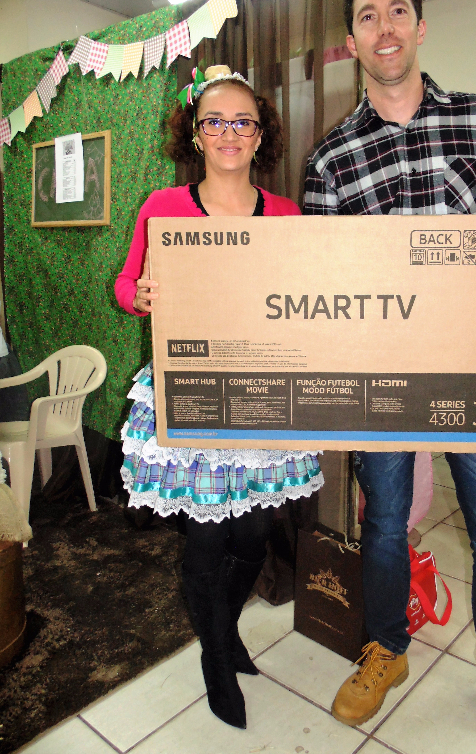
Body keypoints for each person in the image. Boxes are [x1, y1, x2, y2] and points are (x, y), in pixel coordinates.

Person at [303, 0, 476, 754]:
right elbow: (314, 277)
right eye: (367, 17)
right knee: (384, 527)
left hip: (473, 371)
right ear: (351, 42)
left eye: (398, 12)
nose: (384, 28)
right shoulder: (332, 158)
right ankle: (386, 647)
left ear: (419, 27)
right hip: (381, 379)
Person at [115, 65, 323, 730]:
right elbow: (126, 283)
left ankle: (223, 630)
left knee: (254, 537)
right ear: (196, 133)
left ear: (260, 135)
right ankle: (216, 659)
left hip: (264, 394)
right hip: (193, 390)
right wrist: (140, 294)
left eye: (243, 122)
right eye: (215, 121)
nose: (229, 133)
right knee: (206, 541)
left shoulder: (286, 215)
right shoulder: (163, 205)